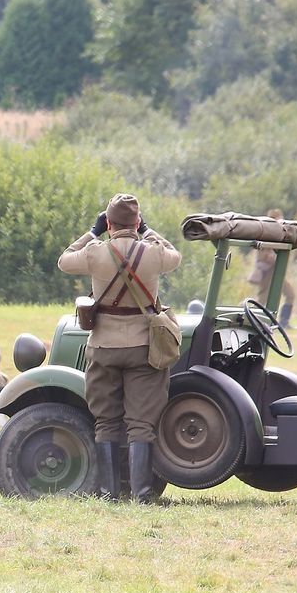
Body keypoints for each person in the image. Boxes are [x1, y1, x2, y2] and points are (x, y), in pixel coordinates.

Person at [57, 193, 181, 503]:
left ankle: (108, 492)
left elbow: (64, 259)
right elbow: (174, 255)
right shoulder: (153, 254)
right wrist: (148, 231)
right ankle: (141, 494)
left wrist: (93, 231)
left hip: (103, 346)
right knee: (141, 423)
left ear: (108, 222)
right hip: (143, 347)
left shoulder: (95, 253)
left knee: (106, 421)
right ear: (137, 223)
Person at [248, 208, 297, 329]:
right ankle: (249, 317)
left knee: (290, 294)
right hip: (267, 272)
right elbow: (263, 255)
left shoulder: (279, 234)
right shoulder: (266, 234)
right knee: (262, 300)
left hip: (277, 271)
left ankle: (284, 322)